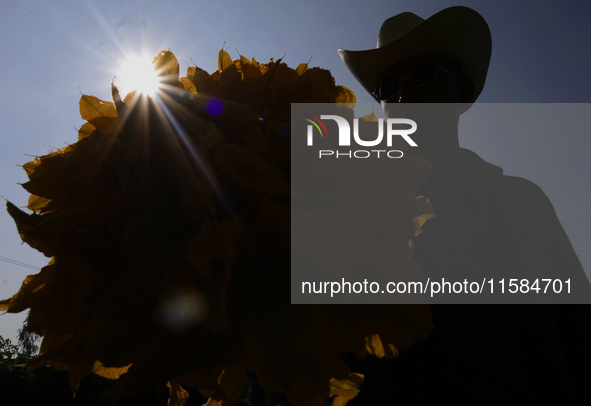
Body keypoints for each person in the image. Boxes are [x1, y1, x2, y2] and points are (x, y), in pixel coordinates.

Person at [338, 6, 591, 405]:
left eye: (425, 76)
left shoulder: (523, 200)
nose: (404, 93)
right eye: (388, 86)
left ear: (464, 92)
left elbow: (578, 328)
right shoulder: (347, 204)